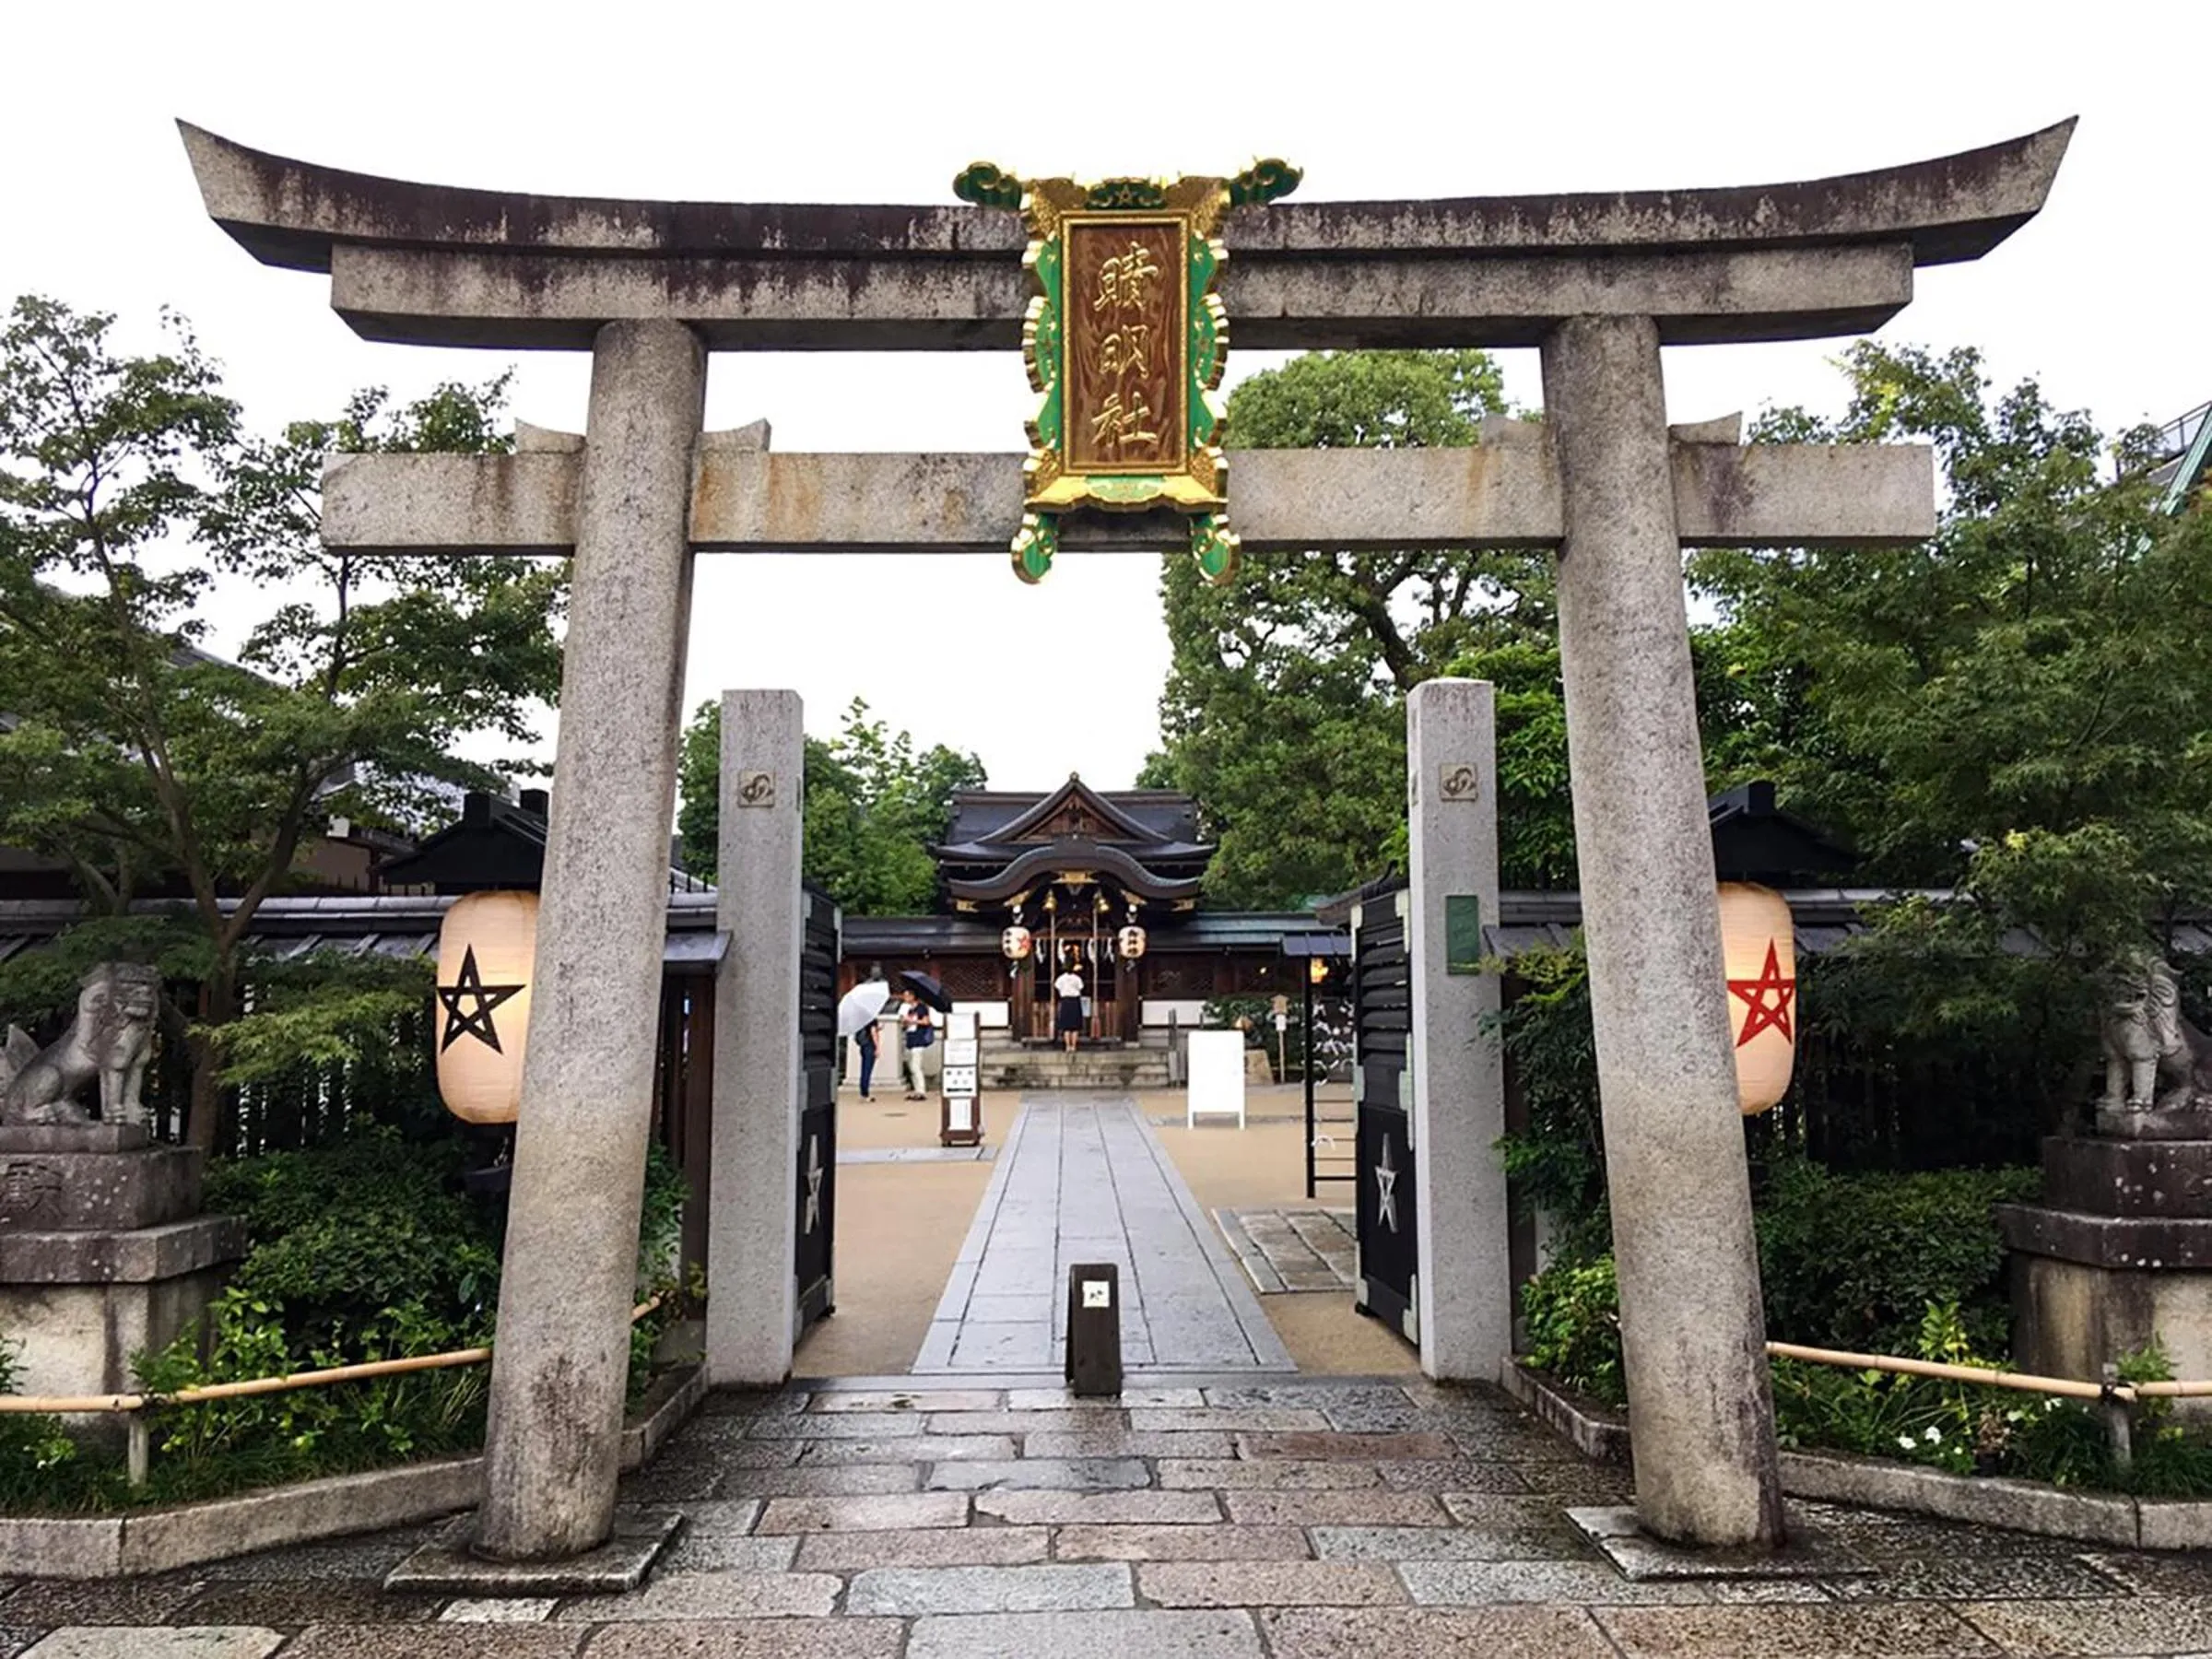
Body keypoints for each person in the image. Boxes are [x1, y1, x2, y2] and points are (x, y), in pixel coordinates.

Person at [900, 989, 936, 1100]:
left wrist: (913, 1021)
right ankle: (916, 1090)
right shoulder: (908, 1009)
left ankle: (921, 1090)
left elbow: (926, 1021)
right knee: (912, 1067)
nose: (905, 998)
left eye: (907, 996)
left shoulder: (921, 1008)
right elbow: (904, 1025)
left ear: (912, 996)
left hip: (919, 1039)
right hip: (910, 1038)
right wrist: (905, 1021)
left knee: (916, 1066)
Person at [1054, 959, 1086, 1053]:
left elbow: (1057, 987)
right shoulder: (1077, 978)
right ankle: (1074, 1046)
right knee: (1075, 1027)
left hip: (1065, 1001)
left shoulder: (1061, 979)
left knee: (1066, 1026)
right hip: (1075, 1001)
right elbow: (1081, 987)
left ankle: (1068, 1046)